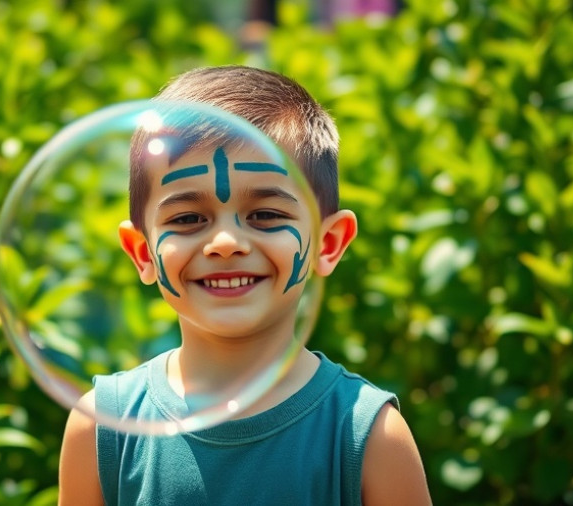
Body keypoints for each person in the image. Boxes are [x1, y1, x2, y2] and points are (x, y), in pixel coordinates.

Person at [58, 65, 431, 506]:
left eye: (266, 215)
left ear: (328, 244)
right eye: (187, 219)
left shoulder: (368, 436)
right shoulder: (102, 426)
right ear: (142, 253)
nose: (226, 243)